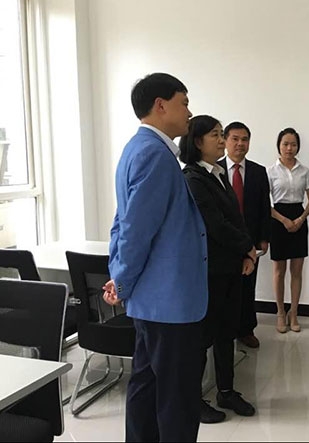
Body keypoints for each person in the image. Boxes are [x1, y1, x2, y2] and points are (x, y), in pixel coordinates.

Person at [103, 73, 209, 442]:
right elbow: (136, 229)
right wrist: (122, 280)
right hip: (169, 302)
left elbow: (122, 222)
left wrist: (119, 275)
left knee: (147, 385)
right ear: (161, 106)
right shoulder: (154, 155)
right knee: (178, 396)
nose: (189, 112)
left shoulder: (137, 148)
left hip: (153, 300)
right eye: (184, 102)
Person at [180, 115, 257, 423]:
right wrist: (247, 247)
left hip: (230, 267)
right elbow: (215, 224)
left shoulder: (218, 172)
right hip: (208, 271)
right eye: (216, 135)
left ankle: (226, 391)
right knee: (203, 337)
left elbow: (236, 217)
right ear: (198, 141)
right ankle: (192, 400)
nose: (223, 140)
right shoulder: (193, 177)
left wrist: (247, 252)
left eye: (221, 134)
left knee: (227, 332)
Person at [218, 122, 271, 349]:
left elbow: (264, 207)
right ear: (225, 140)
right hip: (221, 240)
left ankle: (246, 330)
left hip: (249, 240)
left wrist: (264, 238)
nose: (240, 144)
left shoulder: (258, 171)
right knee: (224, 287)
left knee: (248, 287)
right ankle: (223, 332)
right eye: (235, 139)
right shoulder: (214, 169)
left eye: (245, 139)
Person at [267, 127, 309, 333]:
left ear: (298, 147)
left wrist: (300, 219)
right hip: (277, 219)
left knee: (297, 271)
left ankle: (293, 313)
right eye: (285, 144)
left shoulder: (305, 171)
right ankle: (280, 312)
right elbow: (265, 203)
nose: (289, 148)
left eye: (293, 144)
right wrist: (284, 220)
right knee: (279, 271)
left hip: (299, 218)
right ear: (279, 146)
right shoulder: (270, 171)